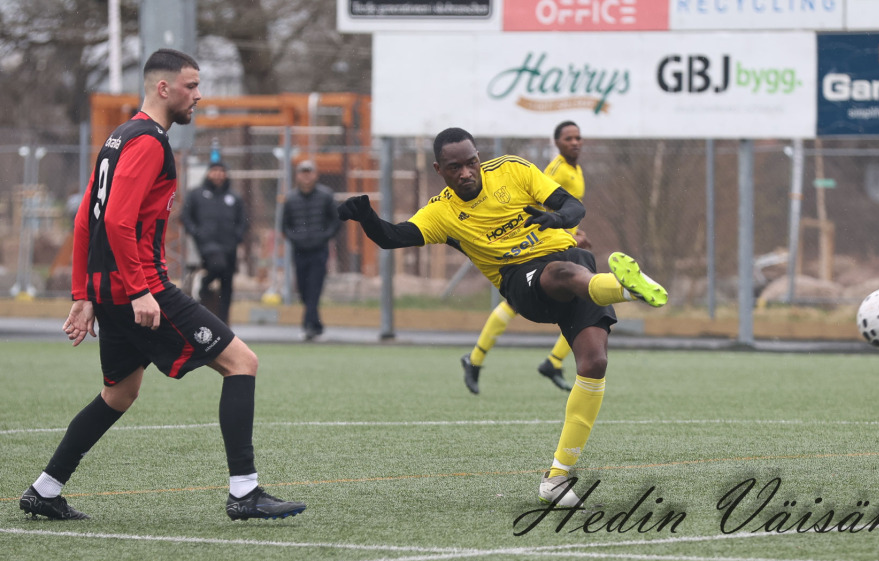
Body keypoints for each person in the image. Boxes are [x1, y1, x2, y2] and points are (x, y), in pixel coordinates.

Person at [18, 49, 305, 521]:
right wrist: (138, 290)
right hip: (141, 289)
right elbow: (113, 221)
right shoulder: (149, 142)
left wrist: (85, 293)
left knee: (119, 394)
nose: (199, 95)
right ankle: (245, 492)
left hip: (111, 292)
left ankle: (44, 489)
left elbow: (85, 220)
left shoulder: (118, 137)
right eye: (191, 86)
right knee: (242, 362)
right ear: (163, 88)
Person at [338, 127, 668, 507]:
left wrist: (556, 219)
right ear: (439, 169)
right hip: (522, 280)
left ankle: (556, 479)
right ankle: (626, 289)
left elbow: (574, 207)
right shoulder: (442, 212)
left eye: (471, 162)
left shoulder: (513, 169)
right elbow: (392, 236)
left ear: (479, 157)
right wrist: (366, 215)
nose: (466, 172)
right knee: (561, 273)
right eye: (455, 167)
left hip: (576, 264)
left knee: (595, 364)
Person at [461, 121, 588, 394]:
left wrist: (576, 234)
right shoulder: (556, 169)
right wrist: (561, 234)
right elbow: (541, 207)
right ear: (557, 142)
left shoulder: (576, 170)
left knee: (585, 298)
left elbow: (568, 209)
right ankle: (476, 359)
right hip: (541, 250)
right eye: (568, 138)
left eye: (578, 137)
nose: (575, 142)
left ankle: (551, 362)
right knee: (518, 305)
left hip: (563, 247)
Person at [180, 160, 246, 325]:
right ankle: (202, 283)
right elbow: (185, 216)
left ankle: (223, 323)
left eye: (221, 171)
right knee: (218, 266)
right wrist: (197, 233)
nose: (218, 174)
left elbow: (243, 220)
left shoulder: (234, 197)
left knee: (227, 283)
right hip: (207, 244)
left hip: (229, 245)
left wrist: (237, 236)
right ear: (208, 173)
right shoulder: (197, 194)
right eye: (214, 171)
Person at [281, 159, 340, 340]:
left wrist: (323, 237)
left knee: (314, 287)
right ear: (297, 176)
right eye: (303, 173)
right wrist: (295, 238)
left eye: (309, 173)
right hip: (299, 251)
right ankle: (316, 325)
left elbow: (336, 220)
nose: (306, 177)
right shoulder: (291, 199)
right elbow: (285, 225)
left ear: (315, 175)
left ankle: (308, 326)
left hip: (319, 250)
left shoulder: (326, 196)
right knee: (303, 290)